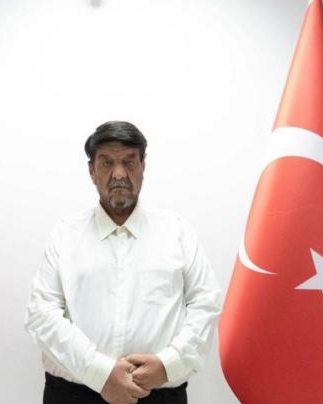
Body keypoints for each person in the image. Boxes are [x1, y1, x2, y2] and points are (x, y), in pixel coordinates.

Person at [25, 121, 222, 404]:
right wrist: (100, 372)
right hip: (74, 396)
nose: (119, 174)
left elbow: (206, 302)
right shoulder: (65, 234)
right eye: (106, 162)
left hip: (160, 394)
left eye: (129, 161)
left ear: (143, 166)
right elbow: (41, 313)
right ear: (92, 171)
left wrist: (169, 364)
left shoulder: (176, 231)